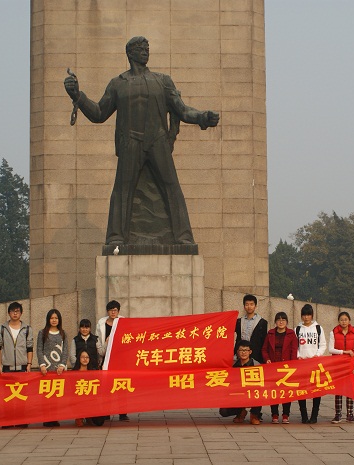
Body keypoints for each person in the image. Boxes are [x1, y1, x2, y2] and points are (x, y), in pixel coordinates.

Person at [63, 36, 219, 246]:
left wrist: (202, 117)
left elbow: (181, 109)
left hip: (158, 140)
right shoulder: (118, 83)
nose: (145, 50)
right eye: (140, 48)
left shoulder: (162, 81)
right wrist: (77, 96)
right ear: (129, 53)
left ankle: (183, 236)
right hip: (130, 141)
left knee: (171, 186)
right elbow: (99, 113)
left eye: (147, 48)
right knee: (122, 188)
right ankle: (116, 237)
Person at [0, 301, 33, 428]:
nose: (15, 314)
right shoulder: (2, 328)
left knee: (22, 395)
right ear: (9, 313)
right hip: (7, 367)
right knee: (7, 396)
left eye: (17, 311)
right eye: (12, 311)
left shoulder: (27, 329)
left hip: (22, 367)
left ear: (21, 313)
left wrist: (29, 364)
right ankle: (8, 421)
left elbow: (30, 348)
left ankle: (22, 420)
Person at [261, 312, 298, 424]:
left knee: (286, 391)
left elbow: (294, 350)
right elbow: (264, 349)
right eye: (278, 320)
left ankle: (286, 414)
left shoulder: (291, 334)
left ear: (287, 322)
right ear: (275, 322)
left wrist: (292, 365)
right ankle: (275, 414)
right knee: (274, 391)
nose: (281, 322)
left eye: (283, 320)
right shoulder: (270, 334)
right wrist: (267, 359)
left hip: (286, 367)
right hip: (273, 366)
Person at [96, 299, 130, 421]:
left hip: (120, 359)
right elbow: (98, 342)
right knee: (107, 387)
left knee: (122, 386)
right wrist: (105, 344)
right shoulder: (101, 324)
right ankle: (106, 412)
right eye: (111, 310)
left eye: (115, 310)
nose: (113, 312)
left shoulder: (123, 323)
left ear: (118, 311)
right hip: (106, 358)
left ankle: (123, 412)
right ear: (108, 311)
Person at [37, 308, 68, 428]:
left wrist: (62, 365)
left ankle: (55, 418)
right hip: (46, 370)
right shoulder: (42, 333)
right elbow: (39, 349)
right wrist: (42, 365)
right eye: (52, 318)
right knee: (46, 395)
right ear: (48, 319)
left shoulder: (63, 333)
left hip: (58, 370)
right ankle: (47, 418)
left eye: (56, 318)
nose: (54, 320)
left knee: (56, 396)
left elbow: (65, 350)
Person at [296, 304, 326, 424]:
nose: (306, 317)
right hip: (301, 364)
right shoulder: (297, 329)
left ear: (312, 315)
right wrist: (299, 356)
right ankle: (304, 415)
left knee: (316, 390)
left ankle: (314, 415)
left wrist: (317, 355)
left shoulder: (318, 328)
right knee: (301, 390)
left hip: (315, 363)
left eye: (308, 315)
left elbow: (322, 344)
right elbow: (295, 345)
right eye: (304, 315)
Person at [328, 312, 354, 424]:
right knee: (339, 389)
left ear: (349, 321)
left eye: (346, 319)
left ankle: (350, 414)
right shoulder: (333, 332)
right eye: (341, 320)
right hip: (338, 364)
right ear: (338, 321)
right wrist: (344, 352)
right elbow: (330, 349)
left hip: (350, 364)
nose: (344, 322)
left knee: (349, 388)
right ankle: (338, 414)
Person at [230, 340, 262, 425]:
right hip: (239, 393)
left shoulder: (257, 365)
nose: (243, 352)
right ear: (237, 352)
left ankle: (254, 415)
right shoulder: (234, 366)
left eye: (246, 350)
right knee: (224, 411)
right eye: (241, 350)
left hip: (253, 392)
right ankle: (240, 412)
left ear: (250, 352)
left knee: (259, 393)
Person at [73, 350, 108, 427]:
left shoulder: (93, 372)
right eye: (83, 357)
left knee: (100, 422)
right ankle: (80, 416)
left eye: (87, 357)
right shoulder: (74, 373)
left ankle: (89, 416)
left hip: (91, 401)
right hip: (79, 401)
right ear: (79, 359)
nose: (85, 359)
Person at [234, 294, 268, 363]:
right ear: (244, 306)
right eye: (247, 304)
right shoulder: (239, 321)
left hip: (256, 356)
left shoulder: (262, 322)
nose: (249, 307)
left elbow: (264, 341)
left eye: (251, 304)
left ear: (255, 306)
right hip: (241, 356)